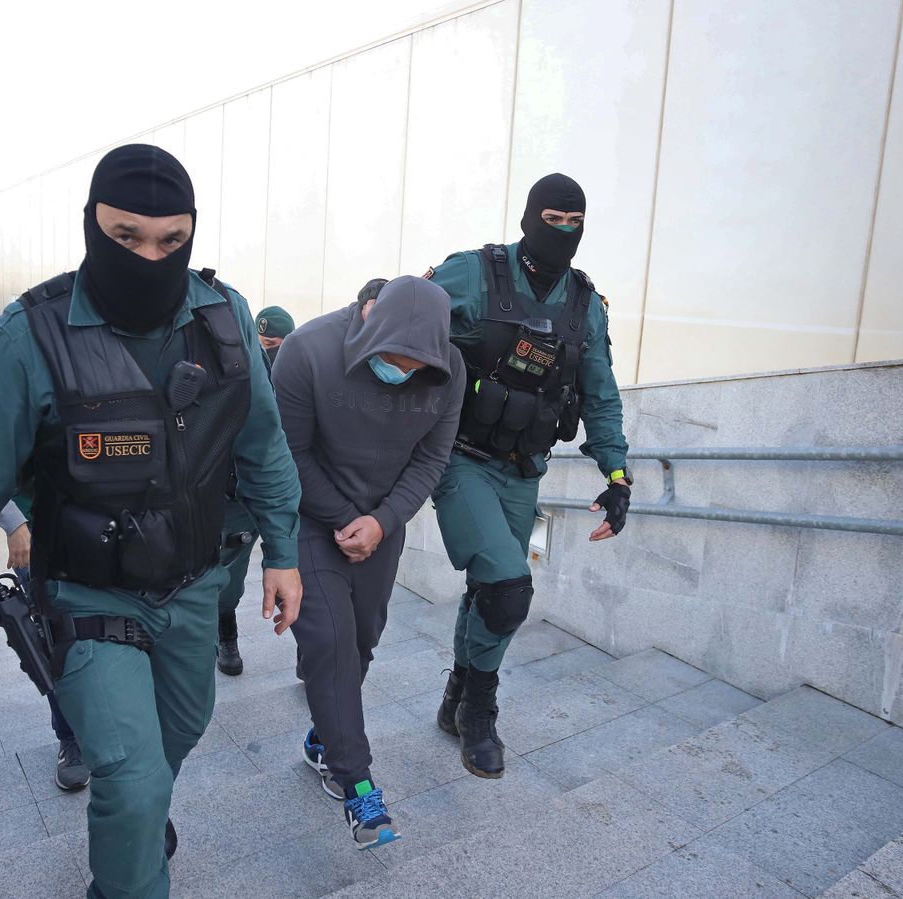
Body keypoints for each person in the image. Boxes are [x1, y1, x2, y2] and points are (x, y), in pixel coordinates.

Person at [0, 144, 304, 899]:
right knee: (133, 772)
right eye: (126, 238)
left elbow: (264, 442)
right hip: (87, 595)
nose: (150, 257)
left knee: (177, 735)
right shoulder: (31, 336)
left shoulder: (226, 319)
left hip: (190, 585)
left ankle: (138, 827)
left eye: (170, 242)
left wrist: (284, 549)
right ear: (91, 225)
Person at [424, 173, 632, 779]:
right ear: (528, 218)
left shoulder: (585, 306)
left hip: (523, 471)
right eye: (553, 219)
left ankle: (457, 693)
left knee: (490, 589)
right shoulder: (473, 272)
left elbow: (601, 394)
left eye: (576, 221)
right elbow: (407, 326)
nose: (564, 231)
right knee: (510, 585)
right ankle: (479, 713)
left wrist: (617, 474)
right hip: (460, 456)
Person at [274, 275, 464, 848]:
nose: (401, 371)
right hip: (311, 517)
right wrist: (340, 518)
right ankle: (359, 787)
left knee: (361, 642)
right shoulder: (306, 351)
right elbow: (288, 452)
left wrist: (383, 521)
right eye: (391, 359)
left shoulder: (449, 372)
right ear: (367, 315)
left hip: (383, 525)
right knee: (329, 640)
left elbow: (433, 459)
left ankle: (323, 739)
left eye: (414, 365)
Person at [214, 305, 296, 676]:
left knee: (233, 578)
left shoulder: (299, 378)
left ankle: (225, 628)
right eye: (261, 343)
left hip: (264, 495)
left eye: (274, 344)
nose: (267, 351)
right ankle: (221, 633)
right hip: (221, 492)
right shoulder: (238, 369)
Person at [0, 498, 89, 790]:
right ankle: (71, 740)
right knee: (54, 640)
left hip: (108, 528)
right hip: (40, 534)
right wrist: (15, 525)